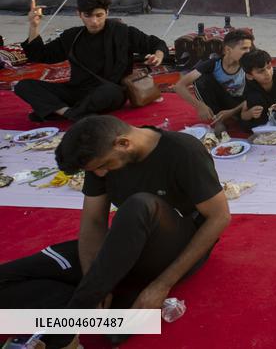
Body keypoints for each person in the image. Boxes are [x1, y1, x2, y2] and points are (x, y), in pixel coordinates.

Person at [0, 115, 230, 348]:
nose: (100, 174)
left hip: (175, 248)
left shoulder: (183, 150)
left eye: (103, 166)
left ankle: (64, 331)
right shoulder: (99, 160)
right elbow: (93, 221)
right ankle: (102, 309)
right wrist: (98, 282)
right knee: (5, 279)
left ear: (123, 143)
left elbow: (219, 217)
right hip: (123, 246)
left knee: (140, 205)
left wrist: (162, 284)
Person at [14, 0, 168, 123]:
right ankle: (68, 113)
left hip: (109, 91)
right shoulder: (72, 36)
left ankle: (59, 110)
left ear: (107, 13)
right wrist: (33, 26)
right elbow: (40, 55)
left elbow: (157, 44)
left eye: (99, 15)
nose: (94, 21)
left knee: (110, 92)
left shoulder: (123, 32)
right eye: (88, 16)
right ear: (79, 14)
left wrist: (157, 56)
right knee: (23, 85)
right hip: (77, 91)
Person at [175, 29, 254, 133]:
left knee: (249, 127)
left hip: (242, 103)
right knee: (201, 80)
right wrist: (199, 106)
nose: (248, 52)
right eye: (244, 48)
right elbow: (179, 86)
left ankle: (231, 116)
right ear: (227, 50)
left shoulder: (249, 64)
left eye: (249, 48)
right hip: (221, 102)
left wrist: (231, 112)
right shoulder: (213, 64)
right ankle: (219, 120)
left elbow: (257, 93)